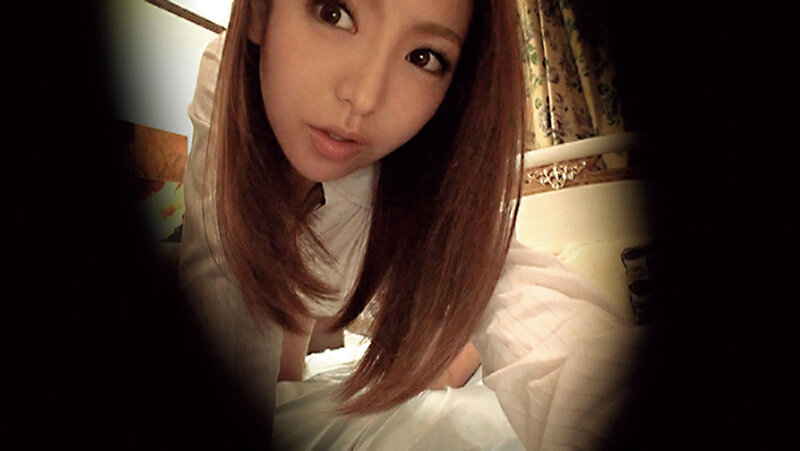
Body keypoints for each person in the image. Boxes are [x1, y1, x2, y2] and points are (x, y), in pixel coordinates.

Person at [179, 0, 645, 448]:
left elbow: (529, 311)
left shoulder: (429, 168)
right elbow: (223, 292)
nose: (364, 98)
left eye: (424, 57)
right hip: (296, 307)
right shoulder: (228, 85)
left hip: (409, 326)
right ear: (260, 10)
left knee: (444, 361)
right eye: (333, 12)